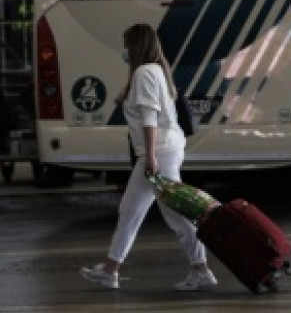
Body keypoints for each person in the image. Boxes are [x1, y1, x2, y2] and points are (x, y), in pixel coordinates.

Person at [80, 23, 217, 292]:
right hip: (164, 149)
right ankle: (110, 269)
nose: (125, 52)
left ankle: (201, 269)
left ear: (136, 46)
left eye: (127, 46)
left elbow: (150, 118)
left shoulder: (144, 72)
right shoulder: (154, 71)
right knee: (130, 211)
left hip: (158, 153)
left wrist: (151, 156)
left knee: (175, 215)